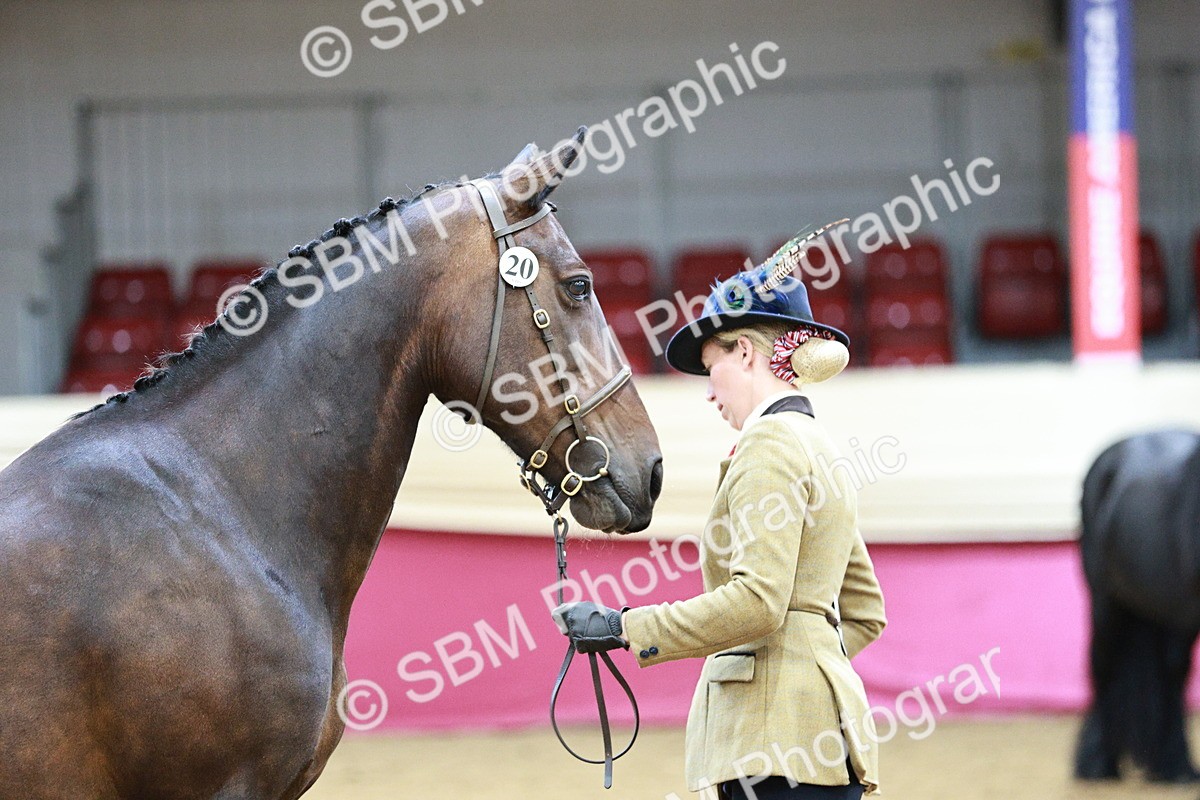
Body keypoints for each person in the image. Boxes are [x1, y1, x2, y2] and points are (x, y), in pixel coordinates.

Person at [553, 235, 887, 799]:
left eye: (713, 368)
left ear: (747, 354)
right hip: (817, 745)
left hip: (772, 753)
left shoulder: (769, 446)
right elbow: (864, 611)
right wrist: (811, 678)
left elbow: (758, 600)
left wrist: (622, 627)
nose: (711, 393)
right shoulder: (819, 445)